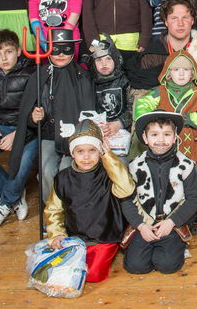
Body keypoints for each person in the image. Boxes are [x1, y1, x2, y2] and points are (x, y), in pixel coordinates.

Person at [132, 52, 197, 233]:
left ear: (193, 73)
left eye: (186, 70)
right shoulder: (159, 92)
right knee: (170, 182)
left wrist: (195, 119)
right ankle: (179, 216)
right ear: (168, 72)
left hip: (192, 142)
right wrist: (158, 120)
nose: (181, 73)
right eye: (176, 69)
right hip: (168, 145)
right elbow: (141, 107)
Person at [44, 118, 135, 283]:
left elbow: (126, 189)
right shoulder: (62, 178)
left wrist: (108, 157)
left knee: (91, 275)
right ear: (72, 153)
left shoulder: (109, 174)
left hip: (104, 238)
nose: (86, 157)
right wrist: (57, 233)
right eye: (80, 151)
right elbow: (54, 209)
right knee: (60, 271)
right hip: (75, 238)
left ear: (100, 151)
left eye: (92, 150)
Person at [10, 29, 95, 204]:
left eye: (66, 49)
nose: (61, 54)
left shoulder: (84, 77)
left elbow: (89, 114)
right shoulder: (39, 76)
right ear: (48, 50)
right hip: (48, 135)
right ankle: (53, 211)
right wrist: (34, 118)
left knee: (67, 170)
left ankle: (71, 211)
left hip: (75, 138)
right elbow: (26, 116)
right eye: (55, 49)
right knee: (47, 170)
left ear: (73, 50)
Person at [123, 111, 197, 275]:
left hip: (171, 224)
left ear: (174, 138)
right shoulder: (135, 166)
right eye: (154, 135)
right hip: (145, 223)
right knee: (136, 266)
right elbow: (126, 200)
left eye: (166, 134)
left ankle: (178, 247)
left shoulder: (185, 165)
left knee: (167, 266)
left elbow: (194, 199)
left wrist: (172, 222)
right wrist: (140, 226)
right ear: (145, 138)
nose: (161, 140)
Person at [0, 30, 36, 231]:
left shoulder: (31, 74)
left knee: (22, 162)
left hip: (28, 129)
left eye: (8, 52)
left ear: (18, 51)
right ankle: (14, 197)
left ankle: (4, 204)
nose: (4, 58)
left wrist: (18, 135)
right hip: (1, 126)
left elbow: (37, 113)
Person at [125, 0, 197, 91]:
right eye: (174, 18)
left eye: (185, 17)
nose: (180, 23)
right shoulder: (151, 56)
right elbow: (143, 96)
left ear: (192, 20)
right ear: (166, 22)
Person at [88, 37, 133, 162]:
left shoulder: (126, 81)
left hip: (122, 138)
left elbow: (133, 108)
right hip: (98, 136)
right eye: (99, 60)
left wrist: (120, 123)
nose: (104, 64)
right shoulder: (89, 84)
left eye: (108, 59)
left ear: (116, 59)